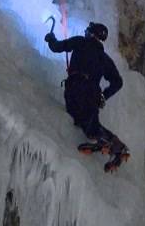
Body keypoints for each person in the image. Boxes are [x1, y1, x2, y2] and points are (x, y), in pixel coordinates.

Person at [45, 22, 130, 172]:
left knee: (79, 120)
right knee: (90, 122)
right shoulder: (104, 59)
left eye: (87, 31)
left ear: (91, 33)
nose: (85, 33)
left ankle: (101, 141)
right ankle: (116, 145)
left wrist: (51, 38)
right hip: (93, 95)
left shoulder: (80, 42)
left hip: (76, 88)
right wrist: (104, 96)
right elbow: (118, 82)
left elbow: (56, 47)